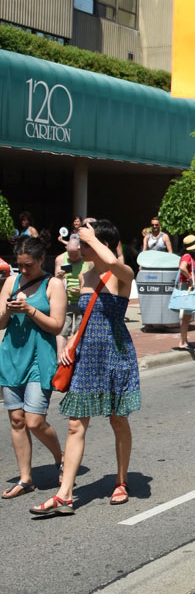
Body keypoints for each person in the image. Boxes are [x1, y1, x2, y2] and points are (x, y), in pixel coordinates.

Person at [31, 220, 140, 515]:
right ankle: (64, 495)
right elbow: (84, 317)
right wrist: (71, 343)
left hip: (115, 354)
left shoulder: (122, 273)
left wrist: (95, 237)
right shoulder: (84, 277)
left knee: (118, 420)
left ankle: (121, 480)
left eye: (86, 242)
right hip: (87, 355)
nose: (80, 246)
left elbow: (114, 263)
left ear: (100, 243)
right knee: (76, 423)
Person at [0, 232, 66, 499]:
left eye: (29, 264)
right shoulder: (11, 282)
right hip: (12, 356)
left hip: (40, 357)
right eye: (20, 265)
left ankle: (61, 457)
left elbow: (57, 325)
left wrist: (31, 311)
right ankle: (26, 478)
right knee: (17, 420)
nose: (24, 269)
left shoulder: (53, 285)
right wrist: (8, 309)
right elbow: (0, 323)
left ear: (42, 259)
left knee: (35, 421)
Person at [173, 234, 195, 353]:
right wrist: (190, 278)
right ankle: (183, 342)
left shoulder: (187, 256)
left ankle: (184, 341)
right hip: (187, 288)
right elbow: (182, 267)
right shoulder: (187, 256)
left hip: (187, 287)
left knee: (186, 316)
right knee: (186, 317)